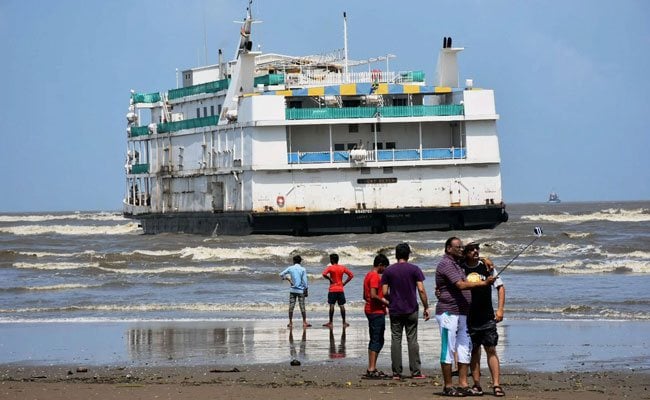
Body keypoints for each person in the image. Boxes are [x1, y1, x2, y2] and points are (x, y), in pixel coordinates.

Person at [434, 237, 495, 397]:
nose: (461, 249)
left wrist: (484, 258)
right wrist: (483, 283)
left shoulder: (457, 263)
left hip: (462, 313)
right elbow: (460, 285)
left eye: (462, 247)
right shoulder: (446, 264)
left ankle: (463, 384)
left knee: (464, 348)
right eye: (458, 247)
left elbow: (471, 257)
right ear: (448, 248)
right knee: (448, 349)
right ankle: (448, 386)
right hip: (448, 312)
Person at [381, 243, 430, 380]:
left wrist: (392, 300)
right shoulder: (414, 269)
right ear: (408, 254)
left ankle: (396, 372)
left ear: (396, 255)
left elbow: (384, 292)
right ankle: (415, 371)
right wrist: (426, 306)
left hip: (395, 309)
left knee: (396, 339)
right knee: (412, 339)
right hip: (411, 308)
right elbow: (421, 289)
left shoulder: (388, 271)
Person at [462, 242, 506, 397]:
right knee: (474, 351)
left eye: (477, 249)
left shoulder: (487, 267)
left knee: (491, 349)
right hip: (468, 316)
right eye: (471, 249)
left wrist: (500, 309)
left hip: (487, 315)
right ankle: (476, 384)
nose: (475, 251)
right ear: (465, 253)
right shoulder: (461, 267)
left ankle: (496, 385)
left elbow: (500, 287)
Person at [363, 253, 390, 379]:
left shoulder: (368, 275)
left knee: (375, 337)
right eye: (384, 267)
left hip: (369, 309)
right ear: (380, 265)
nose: (385, 270)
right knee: (377, 339)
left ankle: (372, 367)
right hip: (376, 311)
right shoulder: (374, 276)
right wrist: (386, 303)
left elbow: (365, 295)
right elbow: (373, 295)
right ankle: (371, 368)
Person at [321, 253, 354, 328]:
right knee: (341, 305)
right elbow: (351, 275)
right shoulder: (342, 267)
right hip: (340, 289)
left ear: (332, 260)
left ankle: (331, 322)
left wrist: (330, 279)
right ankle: (344, 322)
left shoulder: (330, 267)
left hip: (332, 289)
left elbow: (324, 274)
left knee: (332, 305)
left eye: (330, 259)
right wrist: (344, 283)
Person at [279, 255, 311, 328]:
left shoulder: (290, 268)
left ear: (293, 261)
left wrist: (287, 279)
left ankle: (290, 322)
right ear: (300, 261)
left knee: (291, 306)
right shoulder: (303, 269)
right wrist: (306, 289)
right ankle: (304, 322)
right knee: (302, 306)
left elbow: (281, 274)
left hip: (292, 290)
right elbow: (305, 281)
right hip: (300, 291)